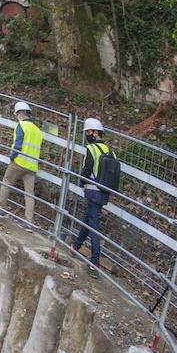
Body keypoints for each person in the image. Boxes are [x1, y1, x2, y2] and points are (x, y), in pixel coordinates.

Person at [72, 117, 111, 278]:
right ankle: (76, 245)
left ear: (95, 133)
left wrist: (81, 181)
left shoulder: (91, 149)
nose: (87, 135)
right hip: (103, 192)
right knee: (89, 218)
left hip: (93, 190)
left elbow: (87, 170)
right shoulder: (109, 151)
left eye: (88, 132)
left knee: (94, 225)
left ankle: (95, 261)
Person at [0, 101, 43, 223]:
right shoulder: (38, 130)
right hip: (32, 166)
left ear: (20, 113)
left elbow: (18, 145)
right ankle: (29, 221)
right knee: (29, 194)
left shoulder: (21, 125)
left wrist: (12, 157)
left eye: (17, 114)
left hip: (19, 162)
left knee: (6, 181)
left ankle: (1, 208)